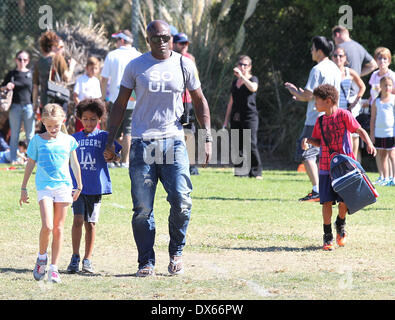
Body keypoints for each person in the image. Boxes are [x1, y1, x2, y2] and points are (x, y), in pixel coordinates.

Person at [103, 20, 212, 277]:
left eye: (165, 37)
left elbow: (199, 101)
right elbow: (119, 104)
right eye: (156, 38)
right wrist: (111, 138)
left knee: (182, 200)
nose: (161, 42)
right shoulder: (135, 66)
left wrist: (207, 137)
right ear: (147, 39)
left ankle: (176, 253)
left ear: (171, 39)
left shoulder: (185, 64)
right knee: (143, 208)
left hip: (173, 141)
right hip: (142, 142)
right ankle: (146, 262)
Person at [302, 84, 376, 250]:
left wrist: (369, 143)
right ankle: (327, 236)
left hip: (344, 167)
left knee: (344, 202)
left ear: (328, 101)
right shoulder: (320, 120)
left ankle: (340, 224)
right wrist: (308, 140)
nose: (315, 104)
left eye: (317, 101)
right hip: (326, 167)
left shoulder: (344, 115)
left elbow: (359, 129)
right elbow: (318, 141)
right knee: (326, 201)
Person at [19, 103, 82, 283]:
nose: (53, 129)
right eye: (49, 126)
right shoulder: (37, 141)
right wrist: (23, 187)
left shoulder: (68, 140)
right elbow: (30, 164)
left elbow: (74, 164)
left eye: (56, 125)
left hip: (64, 187)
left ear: (62, 121)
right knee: (47, 226)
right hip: (44, 187)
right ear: (43, 122)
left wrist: (79, 185)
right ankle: (41, 257)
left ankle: (54, 268)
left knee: (59, 228)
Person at [67, 99, 121, 274]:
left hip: (95, 187)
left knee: (90, 224)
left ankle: (87, 259)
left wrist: (112, 155)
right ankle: (75, 257)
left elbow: (117, 155)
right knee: (77, 220)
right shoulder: (73, 139)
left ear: (99, 118)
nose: (89, 122)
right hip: (77, 187)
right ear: (80, 119)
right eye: (85, 118)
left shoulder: (105, 136)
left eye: (93, 119)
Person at [285, 36, 341, 201]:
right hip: (332, 116)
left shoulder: (317, 70)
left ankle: (317, 189)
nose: (311, 51)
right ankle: (331, 189)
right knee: (327, 155)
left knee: (307, 152)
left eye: (312, 48)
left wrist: (294, 91)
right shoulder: (335, 68)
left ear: (319, 51)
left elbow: (307, 96)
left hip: (316, 118)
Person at [101, 29, 141, 168]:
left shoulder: (112, 55)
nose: (116, 43)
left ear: (122, 40)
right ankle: (125, 161)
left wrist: (103, 98)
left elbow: (104, 79)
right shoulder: (138, 55)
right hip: (133, 99)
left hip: (115, 98)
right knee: (128, 129)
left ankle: (111, 160)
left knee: (113, 129)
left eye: (117, 40)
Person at [223, 55, 262, 179]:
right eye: (240, 64)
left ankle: (256, 171)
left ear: (250, 67)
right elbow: (231, 102)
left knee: (250, 143)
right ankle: (240, 171)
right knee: (237, 144)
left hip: (250, 116)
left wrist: (243, 77)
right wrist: (225, 121)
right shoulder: (235, 82)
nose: (242, 67)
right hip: (236, 116)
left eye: (245, 65)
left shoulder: (252, 79)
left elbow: (253, 88)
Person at [366, 47, 395, 184]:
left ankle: (391, 177)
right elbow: (372, 95)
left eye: (384, 58)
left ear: (389, 60)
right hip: (377, 114)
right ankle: (383, 177)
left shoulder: (392, 75)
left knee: (391, 152)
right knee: (380, 151)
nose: (382, 61)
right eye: (379, 58)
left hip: (389, 117)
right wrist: (368, 103)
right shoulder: (374, 75)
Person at [331, 46, 366, 160]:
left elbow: (362, 87)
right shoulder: (329, 72)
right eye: (335, 55)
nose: (338, 58)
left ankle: (354, 162)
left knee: (354, 135)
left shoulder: (349, 72)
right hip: (334, 110)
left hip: (348, 108)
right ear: (332, 57)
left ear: (345, 58)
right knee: (337, 137)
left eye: (341, 56)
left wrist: (356, 101)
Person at [1, 50, 34, 164]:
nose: (22, 62)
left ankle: (31, 160)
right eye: (20, 59)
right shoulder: (12, 74)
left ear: (28, 61)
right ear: (16, 60)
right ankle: (13, 160)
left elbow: (34, 91)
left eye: (25, 60)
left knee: (30, 134)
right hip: (15, 107)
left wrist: (36, 106)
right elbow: (1, 88)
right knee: (14, 134)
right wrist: (6, 86)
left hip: (29, 107)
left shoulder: (31, 74)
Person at [33, 31, 76, 117]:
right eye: (59, 46)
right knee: (59, 127)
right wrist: (72, 66)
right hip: (58, 99)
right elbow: (67, 78)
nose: (62, 49)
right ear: (53, 46)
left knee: (46, 127)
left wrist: (35, 104)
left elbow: (35, 86)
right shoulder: (58, 58)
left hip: (44, 101)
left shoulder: (38, 62)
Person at [173, 32, 199, 175]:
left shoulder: (190, 59)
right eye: (181, 43)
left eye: (186, 44)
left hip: (186, 101)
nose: (184, 46)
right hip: (172, 101)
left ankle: (192, 165)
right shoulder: (169, 58)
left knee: (189, 132)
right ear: (174, 44)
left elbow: (196, 80)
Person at [369, 77, 395, 186]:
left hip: (391, 133)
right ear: (380, 86)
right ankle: (385, 177)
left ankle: (394, 178)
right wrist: (372, 134)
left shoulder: (393, 99)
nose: (387, 87)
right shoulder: (376, 101)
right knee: (382, 155)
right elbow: (373, 119)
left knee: (392, 155)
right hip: (379, 133)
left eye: (389, 85)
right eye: (385, 85)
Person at [73, 57, 102, 132]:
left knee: (95, 133)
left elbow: (98, 98)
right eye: (91, 68)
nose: (93, 70)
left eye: (95, 68)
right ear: (86, 68)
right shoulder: (81, 79)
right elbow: (75, 96)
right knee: (81, 132)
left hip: (94, 112)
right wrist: (81, 109)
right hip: (82, 113)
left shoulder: (96, 81)